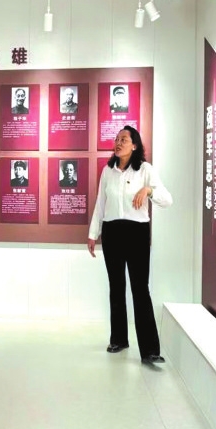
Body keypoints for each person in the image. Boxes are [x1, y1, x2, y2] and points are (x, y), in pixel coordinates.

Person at [87, 126, 172, 365]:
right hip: (112, 232)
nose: (118, 142)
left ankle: (150, 350)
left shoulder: (145, 170)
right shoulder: (108, 171)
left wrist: (149, 190)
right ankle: (118, 339)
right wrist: (93, 234)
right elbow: (100, 204)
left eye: (124, 139)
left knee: (140, 289)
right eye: (117, 139)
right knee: (116, 287)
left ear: (134, 145)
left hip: (137, 233)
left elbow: (167, 200)